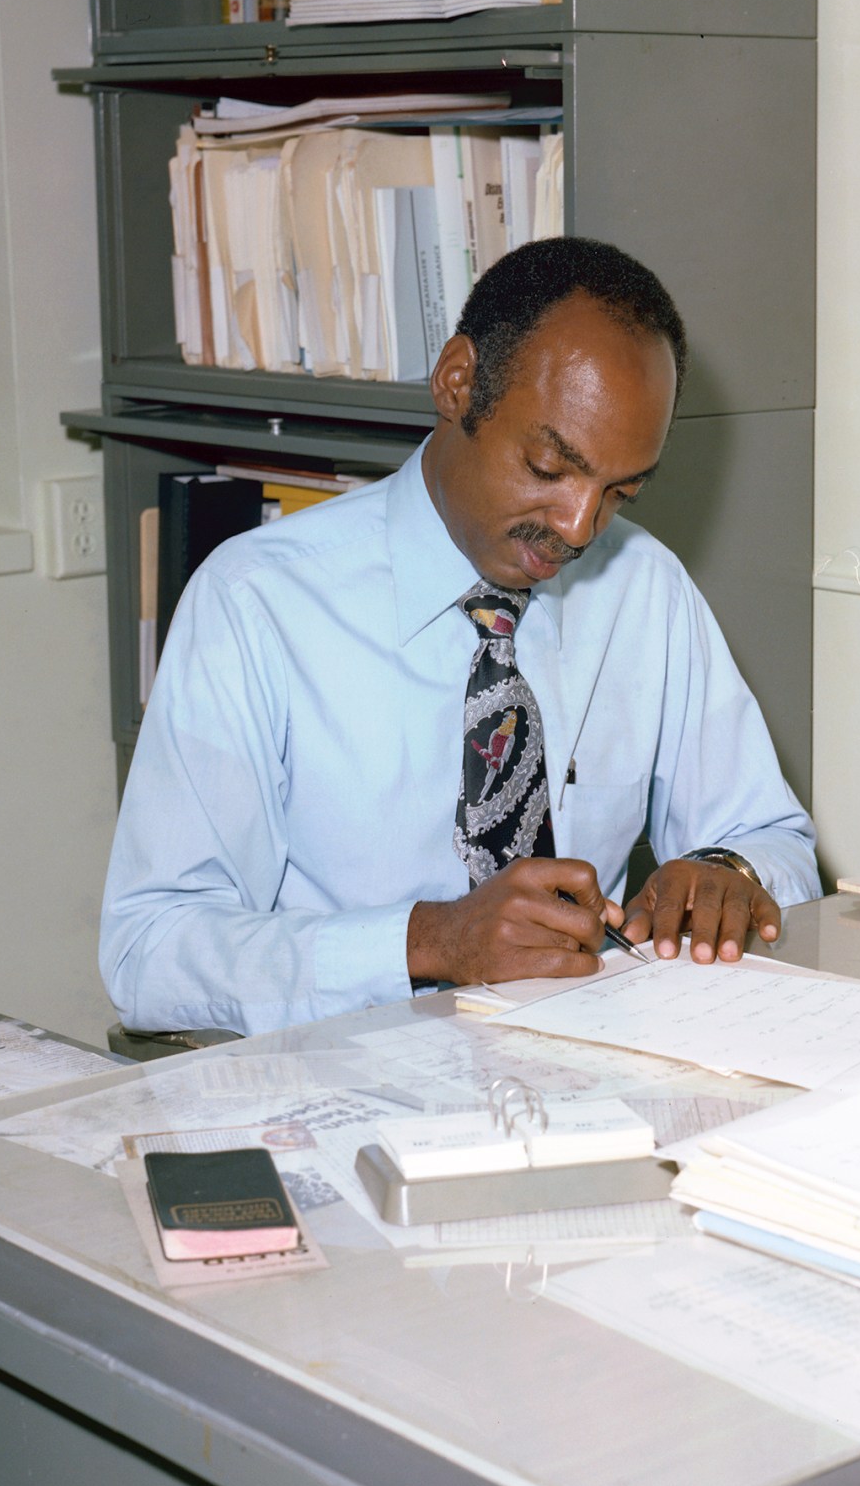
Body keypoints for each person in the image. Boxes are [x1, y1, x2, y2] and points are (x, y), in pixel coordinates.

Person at [101, 235, 819, 1035]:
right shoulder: (254, 606)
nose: (580, 527)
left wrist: (727, 871)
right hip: (354, 1100)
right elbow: (149, 951)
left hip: (593, 1079)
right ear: (457, 383)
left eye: (620, 492)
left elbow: (774, 837)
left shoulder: (644, 586)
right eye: (550, 467)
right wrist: (430, 940)